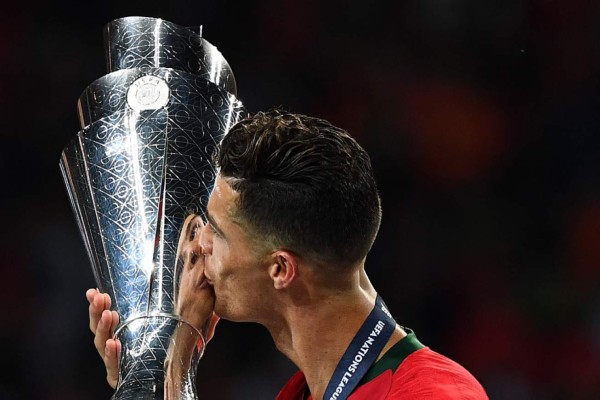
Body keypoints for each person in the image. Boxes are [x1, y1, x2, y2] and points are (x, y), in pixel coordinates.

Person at [87, 109, 489, 399]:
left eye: (218, 232)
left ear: (280, 269)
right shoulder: (299, 394)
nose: (197, 244)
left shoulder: (434, 394)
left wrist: (170, 369)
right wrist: (162, 363)